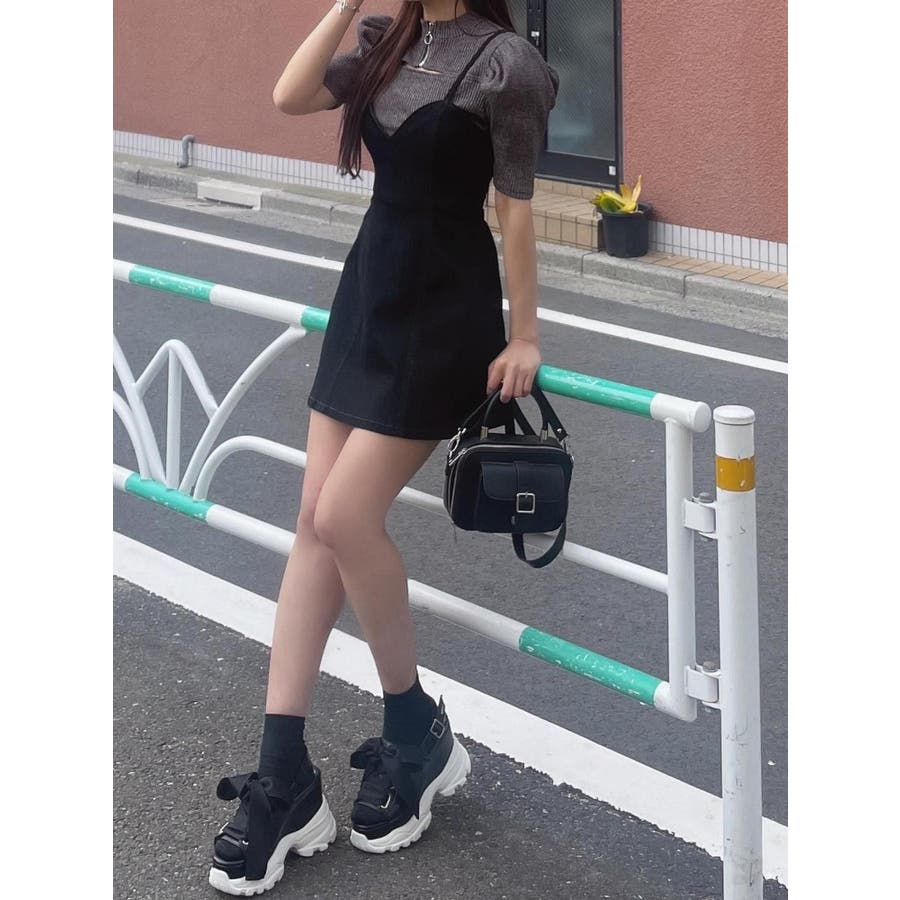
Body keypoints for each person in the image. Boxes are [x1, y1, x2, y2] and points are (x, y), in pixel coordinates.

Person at [208, 1, 559, 894]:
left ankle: (414, 727)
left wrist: (525, 334)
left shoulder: (505, 63)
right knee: (311, 521)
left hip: (445, 310)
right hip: (369, 292)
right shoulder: (385, 39)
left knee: (343, 516)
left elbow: (515, 208)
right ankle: (283, 775)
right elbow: (289, 96)